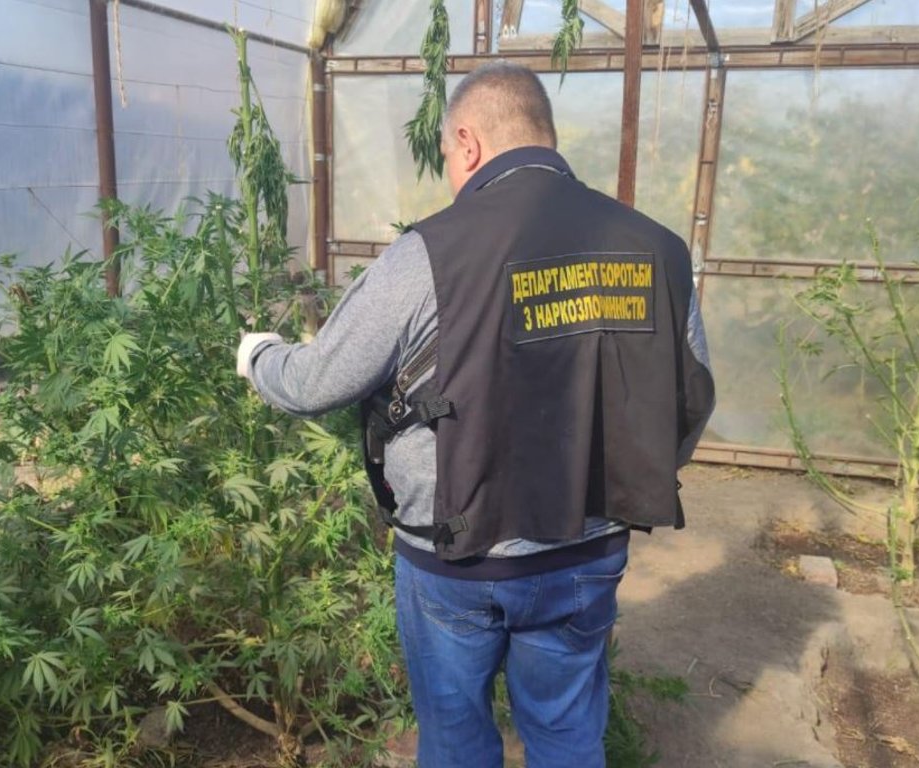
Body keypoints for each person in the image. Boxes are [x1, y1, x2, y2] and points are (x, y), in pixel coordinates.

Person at [236, 61, 714, 768]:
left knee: (456, 742)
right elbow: (692, 397)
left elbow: (316, 382)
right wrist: (620, 481)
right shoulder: (658, 248)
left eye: (447, 157)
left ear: (468, 142)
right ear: (544, 135)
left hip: (456, 561)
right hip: (588, 552)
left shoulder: (431, 252)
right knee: (567, 735)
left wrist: (259, 357)